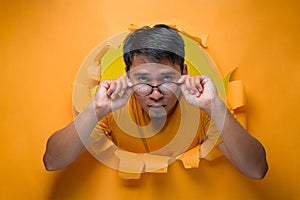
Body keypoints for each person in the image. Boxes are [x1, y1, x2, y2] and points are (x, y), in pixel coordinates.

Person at [43, 24, 268, 179]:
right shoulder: (112, 109)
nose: (156, 94)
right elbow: (52, 161)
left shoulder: (202, 110)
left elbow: (257, 170)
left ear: (184, 73)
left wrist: (215, 106)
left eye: (167, 79)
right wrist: (96, 110)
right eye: (142, 80)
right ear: (127, 75)